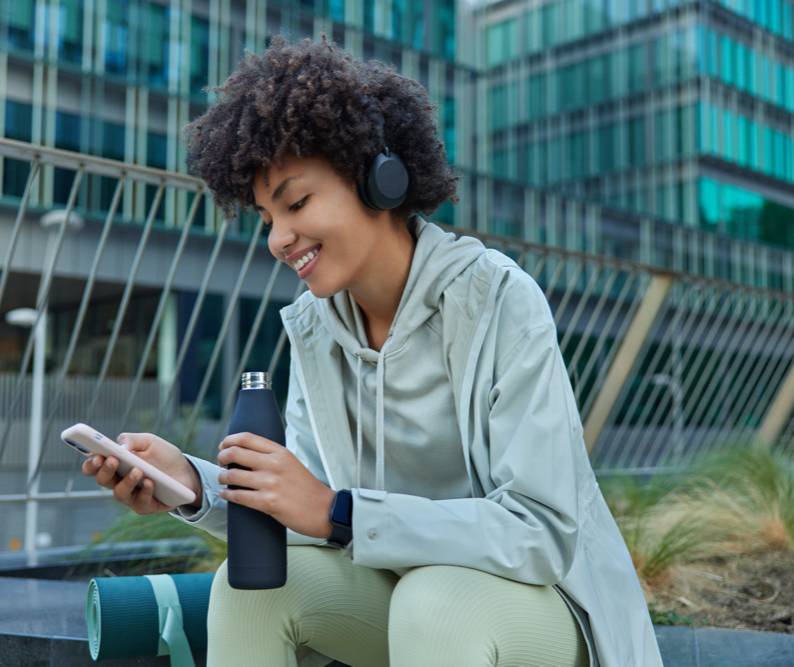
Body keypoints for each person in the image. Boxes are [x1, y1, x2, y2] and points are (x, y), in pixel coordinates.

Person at [83, 35, 663, 667]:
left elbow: (541, 533)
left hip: (543, 606)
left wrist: (339, 514)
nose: (279, 238)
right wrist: (191, 486)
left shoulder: (499, 300)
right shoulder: (317, 328)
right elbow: (301, 498)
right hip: (404, 593)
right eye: (265, 217)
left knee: (434, 602)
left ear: (378, 179)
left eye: (296, 203)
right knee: (250, 592)